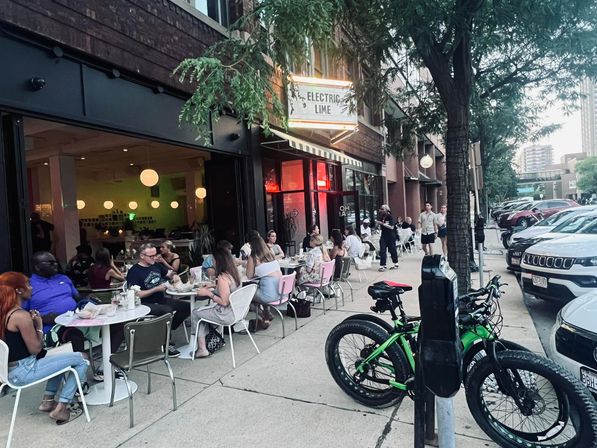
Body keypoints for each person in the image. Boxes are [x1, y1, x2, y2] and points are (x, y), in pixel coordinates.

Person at [0, 271, 89, 425]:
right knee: (82, 358)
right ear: (19, 290)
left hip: (12, 370)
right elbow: (36, 349)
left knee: (61, 358)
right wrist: (39, 326)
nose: (31, 288)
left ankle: (48, 401)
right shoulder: (20, 316)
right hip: (25, 370)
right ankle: (62, 406)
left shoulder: (5, 313)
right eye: (28, 284)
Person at [126, 243, 190, 357]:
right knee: (167, 311)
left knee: (186, 307)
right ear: (142, 256)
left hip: (160, 299)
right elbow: (136, 295)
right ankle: (166, 343)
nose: (154, 258)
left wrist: (174, 276)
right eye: (151, 256)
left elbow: (170, 273)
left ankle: (164, 330)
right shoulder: (134, 271)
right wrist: (156, 289)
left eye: (155, 255)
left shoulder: (156, 265)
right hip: (144, 304)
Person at [192, 248, 241, 358]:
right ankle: (213, 339)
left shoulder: (222, 277)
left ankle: (202, 349)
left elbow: (224, 302)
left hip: (226, 314)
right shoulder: (235, 272)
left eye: (213, 260)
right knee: (204, 312)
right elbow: (229, 288)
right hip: (238, 311)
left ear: (219, 261)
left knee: (196, 312)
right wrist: (215, 285)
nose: (212, 262)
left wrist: (208, 293)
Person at [246, 232, 282, 326]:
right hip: (281, 293)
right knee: (263, 288)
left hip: (269, 296)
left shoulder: (253, 257)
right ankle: (267, 313)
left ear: (250, 245)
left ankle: (263, 315)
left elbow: (249, 275)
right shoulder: (270, 254)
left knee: (246, 295)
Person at [375, 205, 399, 272]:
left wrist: (382, 224)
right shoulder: (382, 217)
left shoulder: (390, 217)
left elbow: (392, 227)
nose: (381, 210)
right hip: (383, 236)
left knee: (392, 250)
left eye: (382, 209)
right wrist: (378, 224)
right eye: (380, 209)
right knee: (382, 250)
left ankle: (395, 263)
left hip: (391, 236)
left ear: (386, 210)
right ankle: (383, 265)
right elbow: (379, 225)